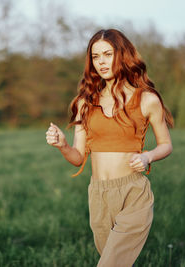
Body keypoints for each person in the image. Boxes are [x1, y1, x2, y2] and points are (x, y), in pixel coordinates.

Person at [45, 29, 173, 267]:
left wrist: (148, 156)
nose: (101, 62)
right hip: (98, 195)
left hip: (133, 192)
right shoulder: (86, 102)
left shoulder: (147, 99)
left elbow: (166, 145)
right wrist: (62, 145)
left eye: (107, 54)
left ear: (122, 55)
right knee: (115, 262)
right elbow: (78, 156)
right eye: (95, 57)